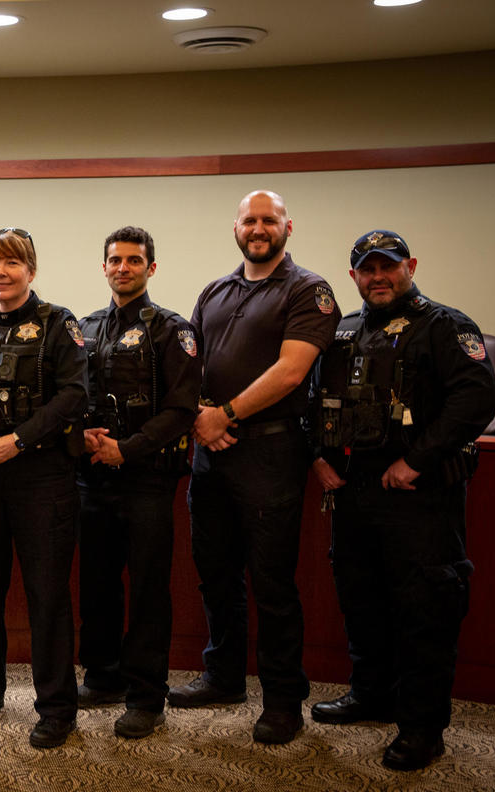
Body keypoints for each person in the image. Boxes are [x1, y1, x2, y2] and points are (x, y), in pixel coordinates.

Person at [309, 230, 495, 770]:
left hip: (420, 492)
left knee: (425, 610)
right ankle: (371, 694)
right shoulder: (341, 330)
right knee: (361, 599)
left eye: (387, 266)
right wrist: (316, 457)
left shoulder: (444, 325)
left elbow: (478, 396)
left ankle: (421, 728)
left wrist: (417, 458)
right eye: (366, 270)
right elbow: (313, 397)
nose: (377, 277)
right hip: (353, 489)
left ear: (410, 266)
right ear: (353, 277)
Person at [173, 190, 341, 745]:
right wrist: (203, 416)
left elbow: (292, 372)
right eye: (250, 219)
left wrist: (224, 414)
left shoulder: (307, 289)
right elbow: (191, 365)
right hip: (210, 455)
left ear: (288, 226)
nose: (259, 227)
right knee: (216, 575)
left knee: (271, 583)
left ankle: (282, 699)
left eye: (269, 219)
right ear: (237, 226)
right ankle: (223, 678)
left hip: (270, 455)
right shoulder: (215, 291)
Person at [0, 227, 87, 749]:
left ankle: (56, 706)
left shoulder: (59, 323)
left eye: (11, 263)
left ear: (31, 270)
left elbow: (74, 395)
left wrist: (18, 441)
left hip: (41, 478)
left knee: (46, 596)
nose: (0, 272)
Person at [76, 226, 201, 739]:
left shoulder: (174, 330)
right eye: (114, 260)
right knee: (97, 582)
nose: (122, 267)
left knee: (148, 588)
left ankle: (147, 695)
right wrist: (84, 437)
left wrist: (126, 449)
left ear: (151, 268)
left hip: (147, 478)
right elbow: (70, 397)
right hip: (92, 478)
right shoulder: (82, 328)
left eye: (133, 260)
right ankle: (102, 676)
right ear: (103, 267)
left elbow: (182, 409)